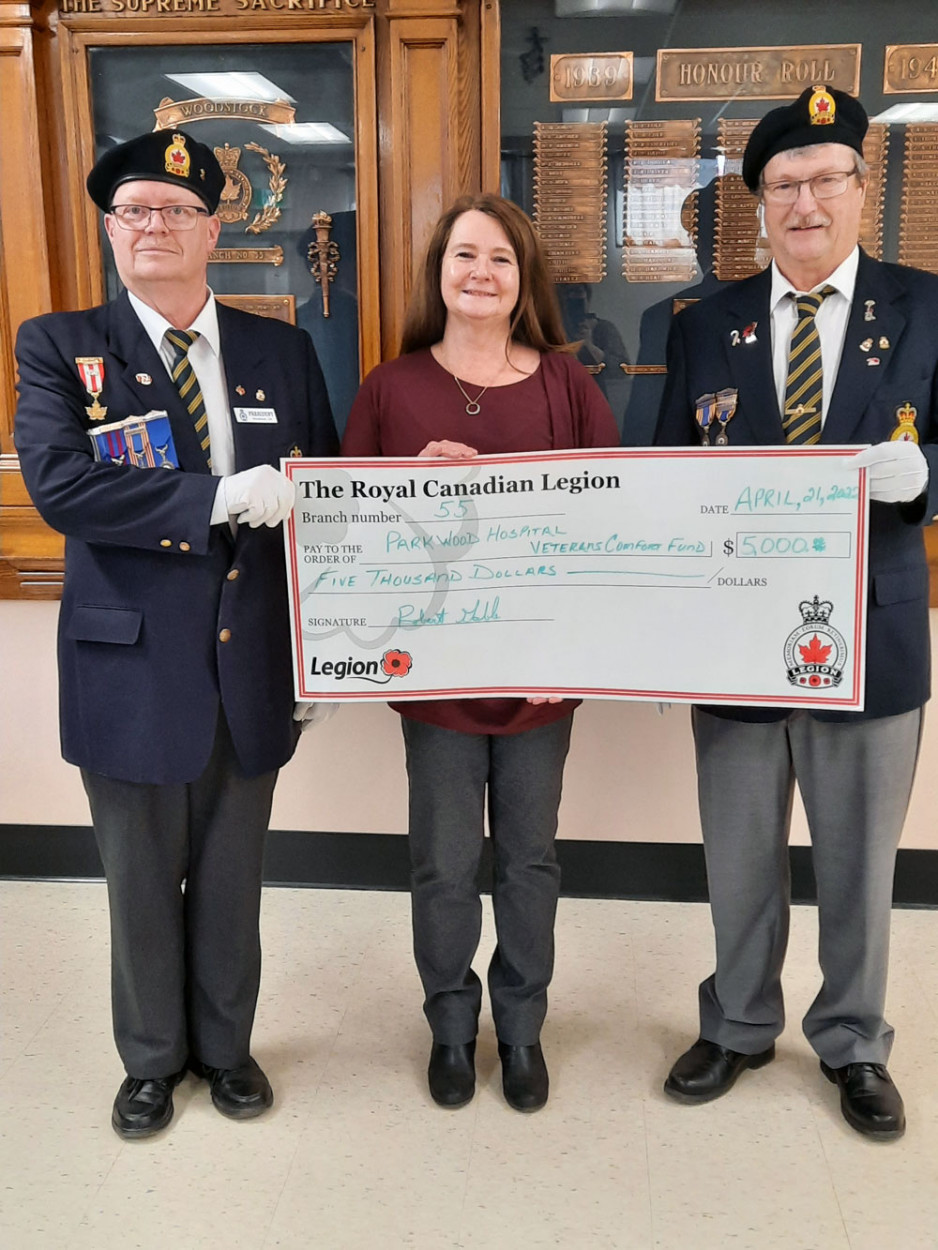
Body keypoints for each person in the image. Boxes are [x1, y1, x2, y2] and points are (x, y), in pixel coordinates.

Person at [14, 129, 338, 1139]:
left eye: (173, 210)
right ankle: (151, 1061)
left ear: (214, 227)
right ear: (111, 229)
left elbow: (320, 499)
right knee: (142, 880)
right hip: (132, 665)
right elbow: (63, 486)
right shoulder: (61, 345)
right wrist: (208, 497)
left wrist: (319, 648)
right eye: (132, 211)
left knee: (235, 877)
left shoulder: (281, 349)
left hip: (253, 662)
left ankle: (227, 1049)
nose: (151, 226)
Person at [654, 85, 936, 1140]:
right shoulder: (701, 325)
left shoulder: (926, 306)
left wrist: (926, 471)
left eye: (825, 178)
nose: (804, 200)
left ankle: (853, 1038)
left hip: (872, 628)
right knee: (735, 848)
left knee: (859, 860)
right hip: (734, 638)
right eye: (782, 184)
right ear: (759, 206)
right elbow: (667, 476)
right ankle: (735, 1020)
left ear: (861, 190)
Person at [342, 194, 618, 1111]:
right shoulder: (391, 387)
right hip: (438, 677)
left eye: (500, 259)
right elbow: (346, 531)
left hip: (541, 680)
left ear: (522, 279)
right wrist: (404, 490)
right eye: (465, 255)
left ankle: (524, 1028)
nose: (480, 274)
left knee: (531, 858)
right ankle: (453, 1028)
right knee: (445, 860)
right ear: (440, 272)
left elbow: (609, 522)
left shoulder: (568, 385)